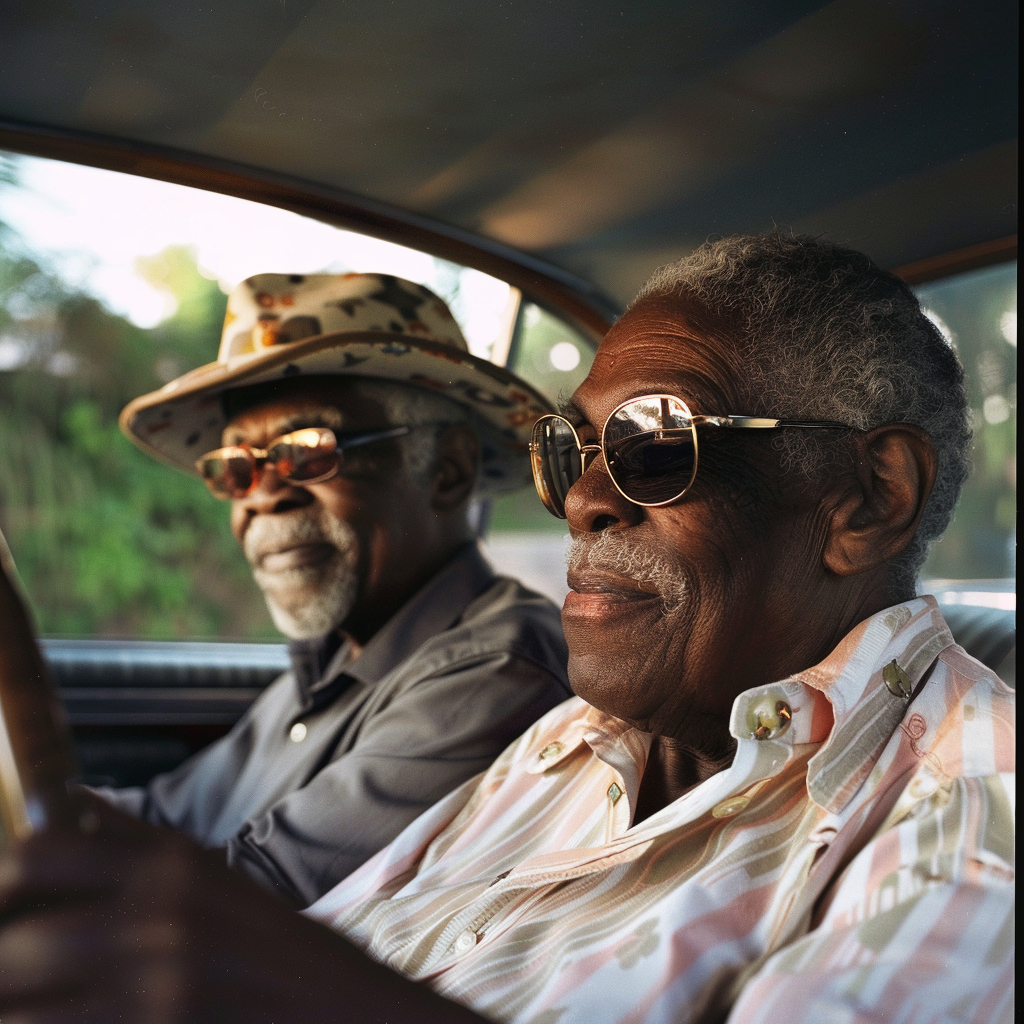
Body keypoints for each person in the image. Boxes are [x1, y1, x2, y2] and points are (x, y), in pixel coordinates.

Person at [0, 235, 1013, 1023]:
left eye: (655, 443)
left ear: (865, 498)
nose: (581, 500)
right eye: (571, 450)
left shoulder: (975, 816)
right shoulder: (567, 742)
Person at [98, 271, 571, 906]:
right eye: (235, 467)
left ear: (447, 471)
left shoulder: (495, 670)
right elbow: (162, 816)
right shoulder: (330, 662)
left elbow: (245, 902)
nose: (263, 495)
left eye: (307, 449)